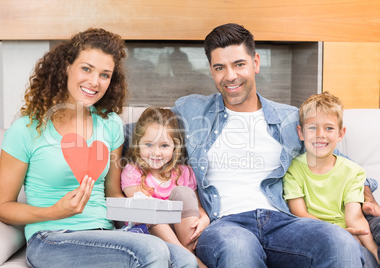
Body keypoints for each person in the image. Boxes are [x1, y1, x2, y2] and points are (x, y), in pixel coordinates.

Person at [171, 22, 378, 267]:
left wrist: (366, 194)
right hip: (224, 224)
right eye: (220, 67)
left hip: (283, 222)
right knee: (238, 250)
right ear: (211, 71)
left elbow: (339, 162)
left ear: (256, 63)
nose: (230, 76)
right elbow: (142, 133)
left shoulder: (290, 119)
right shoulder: (192, 110)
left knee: (340, 241)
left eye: (239, 64)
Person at [0, 28, 197, 268]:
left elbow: (112, 193)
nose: (94, 82)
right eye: (86, 68)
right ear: (66, 67)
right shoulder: (26, 129)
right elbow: (3, 208)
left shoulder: (110, 124)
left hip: (105, 234)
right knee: (150, 252)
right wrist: (54, 211)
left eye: (105, 74)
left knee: (184, 260)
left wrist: (149, 211)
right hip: (51, 237)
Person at [283, 92, 379, 264]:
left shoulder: (353, 172)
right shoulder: (293, 170)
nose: (320, 134)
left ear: (341, 134)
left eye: (329, 128)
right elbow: (299, 213)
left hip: (349, 231)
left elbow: (355, 217)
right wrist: (340, 233)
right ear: (301, 132)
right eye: (312, 127)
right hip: (313, 234)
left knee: (367, 259)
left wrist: (374, 251)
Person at [121, 107, 209, 268]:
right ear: (137, 144)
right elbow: (143, 213)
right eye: (149, 144)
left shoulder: (184, 173)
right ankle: (190, 260)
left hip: (182, 234)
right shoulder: (132, 172)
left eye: (164, 146)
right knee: (148, 207)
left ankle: (186, 258)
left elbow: (197, 207)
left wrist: (205, 218)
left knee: (183, 192)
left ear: (175, 147)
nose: (156, 152)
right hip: (149, 235)